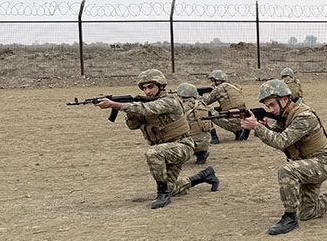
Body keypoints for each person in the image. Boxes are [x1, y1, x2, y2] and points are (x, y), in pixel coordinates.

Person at [240, 79, 327, 235]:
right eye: (268, 106)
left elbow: (281, 141)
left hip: (321, 164)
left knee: (286, 171)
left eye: (272, 105)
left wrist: (256, 128)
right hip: (306, 165)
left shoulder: (304, 116)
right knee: (307, 213)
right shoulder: (285, 116)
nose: (271, 109)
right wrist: (264, 127)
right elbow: (278, 137)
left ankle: (289, 218)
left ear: (284, 99)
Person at [96, 69, 220, 209]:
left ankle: (162, 195)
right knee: (172, 188)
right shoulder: (145, 104)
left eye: (151, 87)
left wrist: (115, 105)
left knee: (153, 153)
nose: (147, 91)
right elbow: (133, 126)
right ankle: (204, 176)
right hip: (166, 149)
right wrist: (130, 113)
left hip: (182, 146)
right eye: (144, 88)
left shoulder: (170, 101)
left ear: (161, 86)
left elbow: (148, 109)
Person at [201, 69, 250, 142]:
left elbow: (204, 102)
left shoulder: (220, 88)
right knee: (218, 109)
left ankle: (214, 137)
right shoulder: (233, 87)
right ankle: (239, 132)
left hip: (233, 122)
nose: (212, 84)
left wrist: (195, 97)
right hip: (242, 121)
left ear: (218, 81)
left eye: (212, 81)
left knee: (203, 110)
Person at [175, 82, 214, 165]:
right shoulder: (202, 104)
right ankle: (201, 153)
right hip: (205, 142)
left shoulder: (180, 107)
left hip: (190, 144)